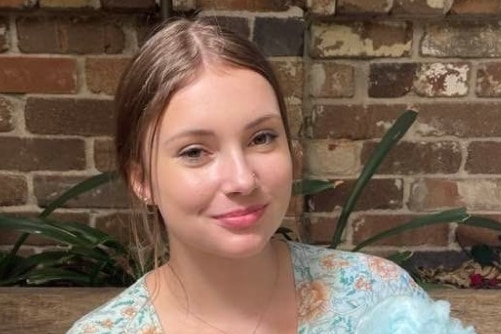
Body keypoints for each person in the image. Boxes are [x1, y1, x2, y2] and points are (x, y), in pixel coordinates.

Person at [67, 17, 475, 334]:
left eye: (261, 138)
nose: (242, 179)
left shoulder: (377, 293)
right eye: (195, 152)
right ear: (142, 180)